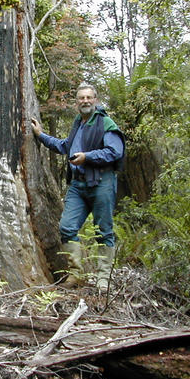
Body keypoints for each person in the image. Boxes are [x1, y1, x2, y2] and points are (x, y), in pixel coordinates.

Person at [31, 84, 125, 292]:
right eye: (81, 98)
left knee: (104, 231)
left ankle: (103, 279)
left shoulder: (105, 123)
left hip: (102, 182)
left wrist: (87, 157)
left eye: (89, 97)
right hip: (78, 185)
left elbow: (114, 151)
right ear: (77, 102)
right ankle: (75, 274)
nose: (85, 101)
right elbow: (66, 147)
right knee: (67, 227)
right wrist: (41, 135)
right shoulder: (78, 124)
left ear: (96, 100)